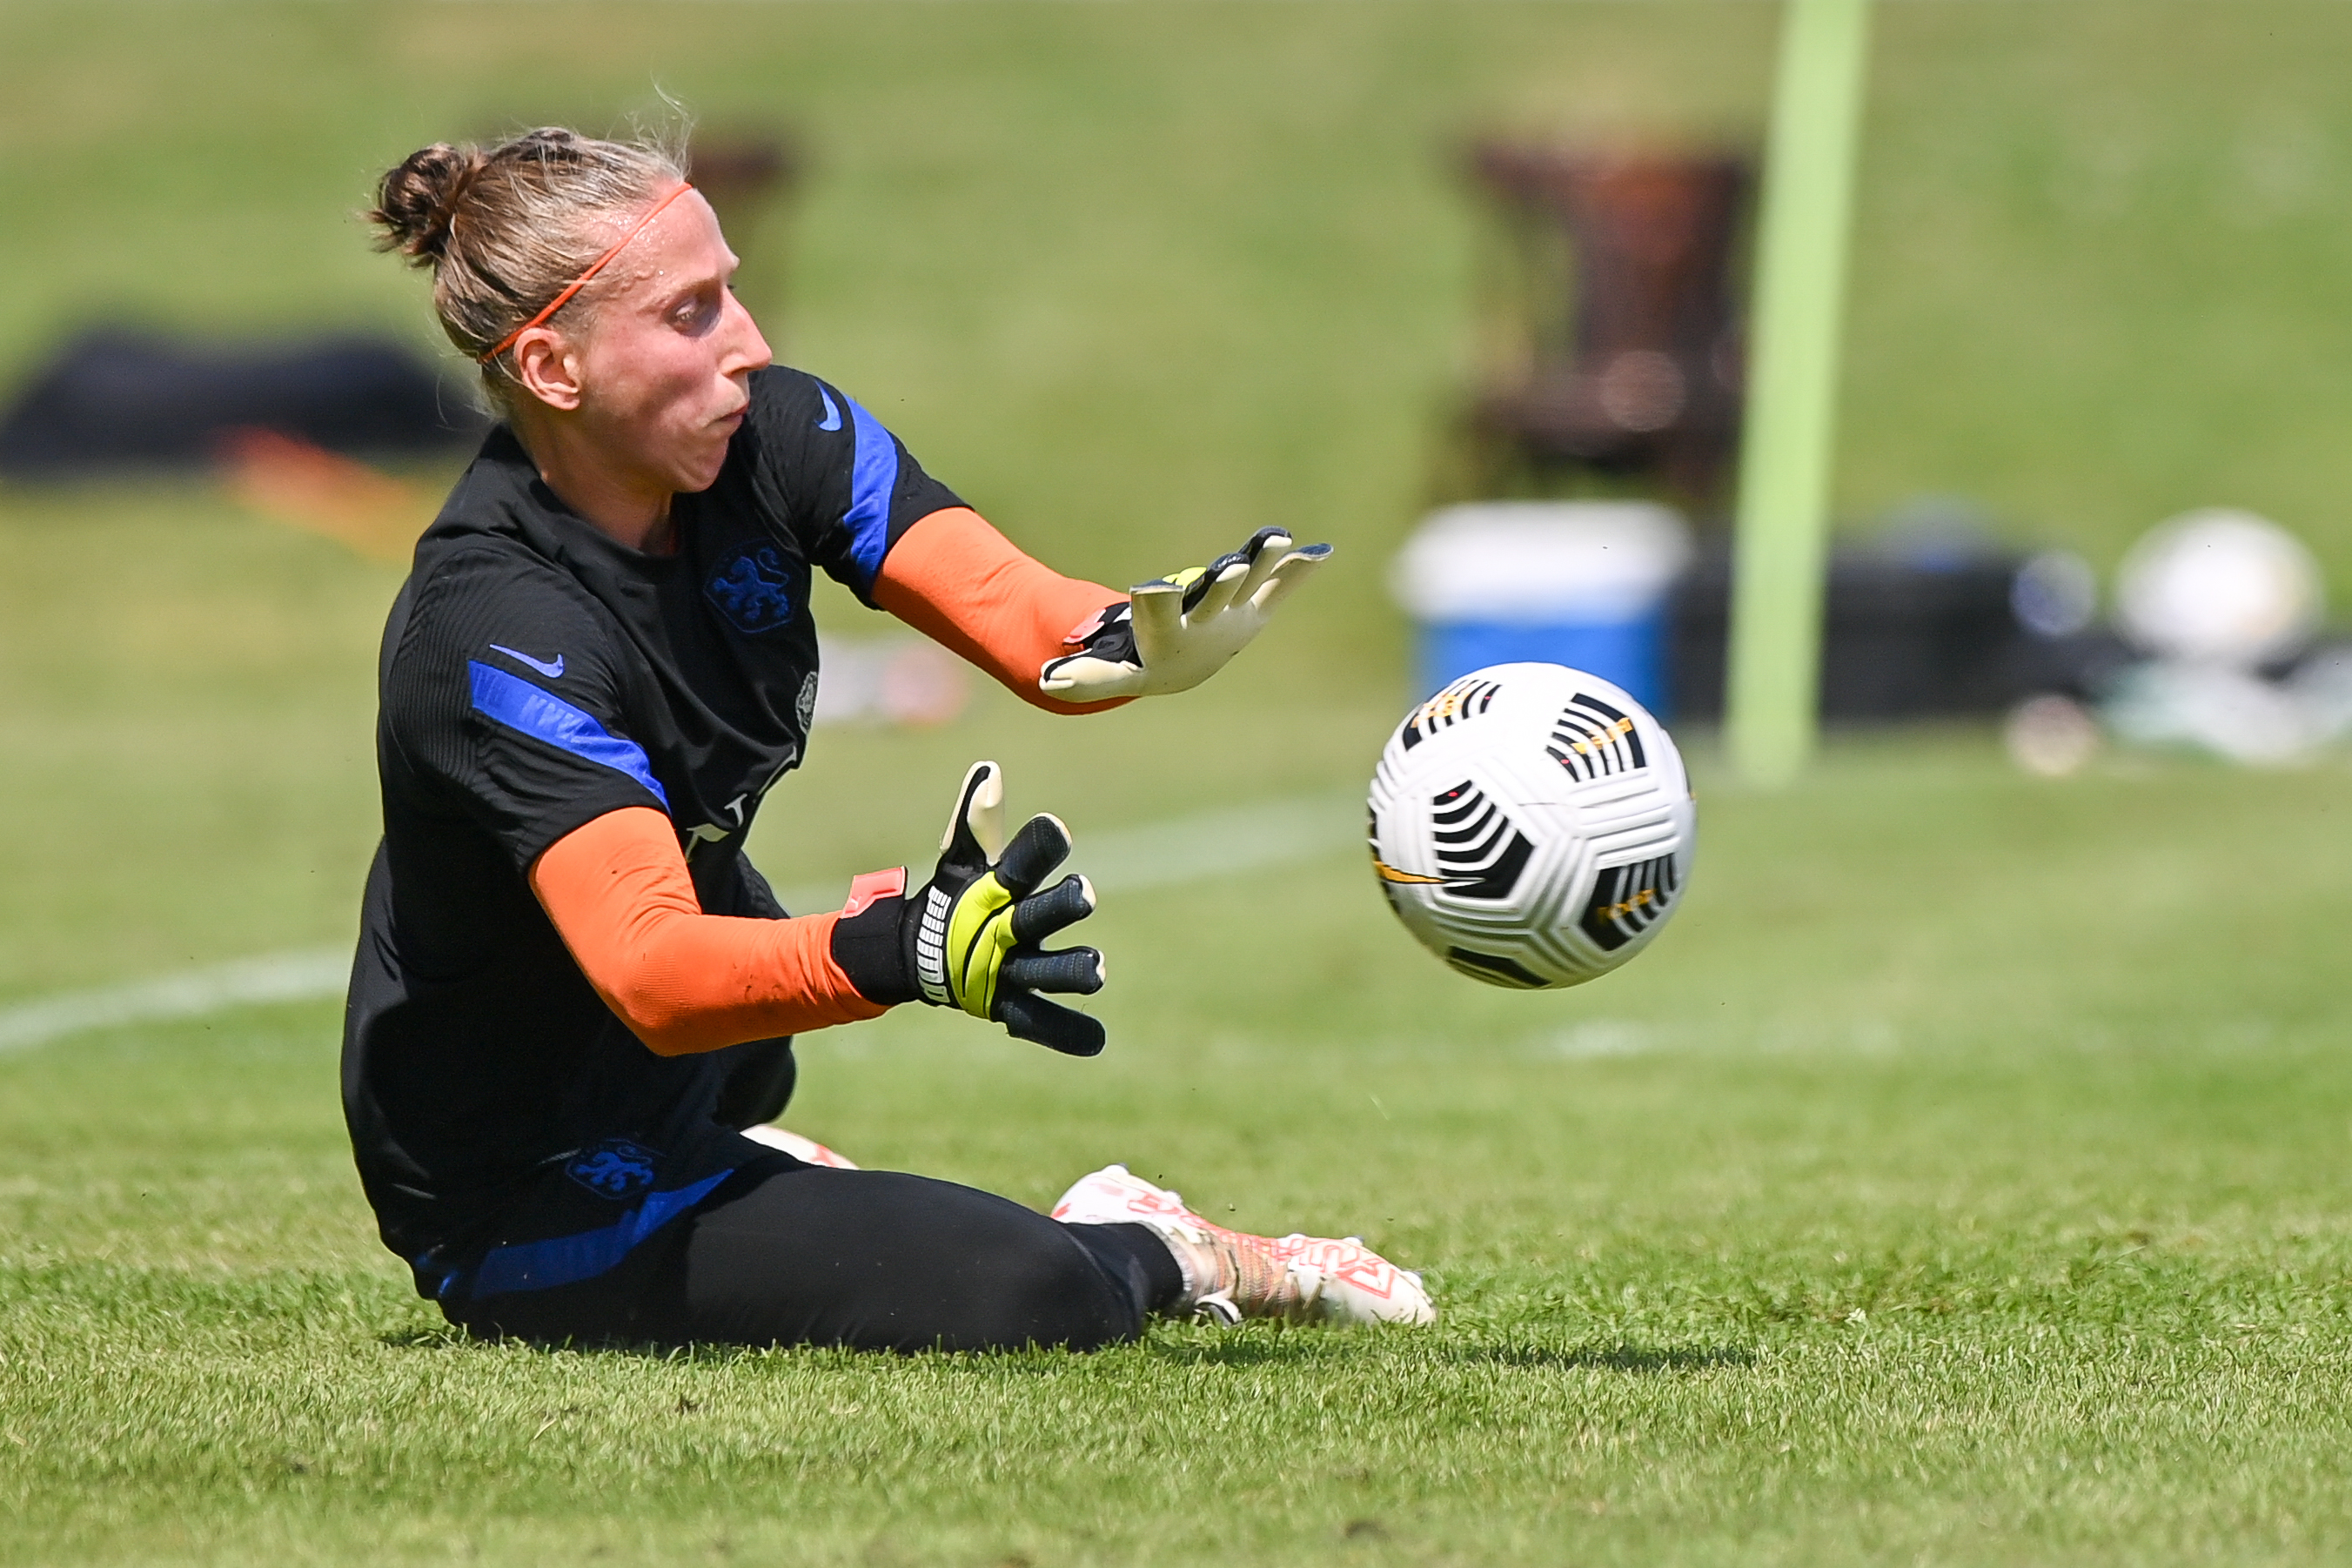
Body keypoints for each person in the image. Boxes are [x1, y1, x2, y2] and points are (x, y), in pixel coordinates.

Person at [343, 126, 1435, 1352]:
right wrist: (890, 949)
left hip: (698, 1061)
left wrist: (1129, 643)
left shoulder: (773, 435)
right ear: (554, 367)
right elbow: (650, 971)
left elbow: (1022, 616)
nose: (750, 341)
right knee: (1036, 1293)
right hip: (522, 1175)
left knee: (758, 1045)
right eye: (692, 312)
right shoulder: (493, 629)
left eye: (732, 289)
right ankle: (1160, 1242)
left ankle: (750, 1158)